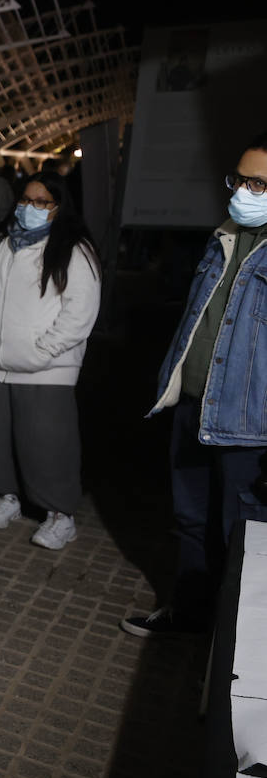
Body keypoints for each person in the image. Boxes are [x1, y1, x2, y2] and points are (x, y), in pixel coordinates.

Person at [123, 133, 267, 636]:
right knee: (189, 520)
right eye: (240, 179)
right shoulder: (223, 235)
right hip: (191, 405)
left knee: (238, 536)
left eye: (259, 183)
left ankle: (230, 645)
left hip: (246, 428)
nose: (243, 192)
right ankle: (189, 614)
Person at [0, 171, 101, 550]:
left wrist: (42, 351)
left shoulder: (75, 250)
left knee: (47, 445)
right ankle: (5, 497)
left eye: (43, 202)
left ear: (60, 207)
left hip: (47, 369)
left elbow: (79, 313)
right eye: (26, 200)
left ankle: (61, 515)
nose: (31, 208)